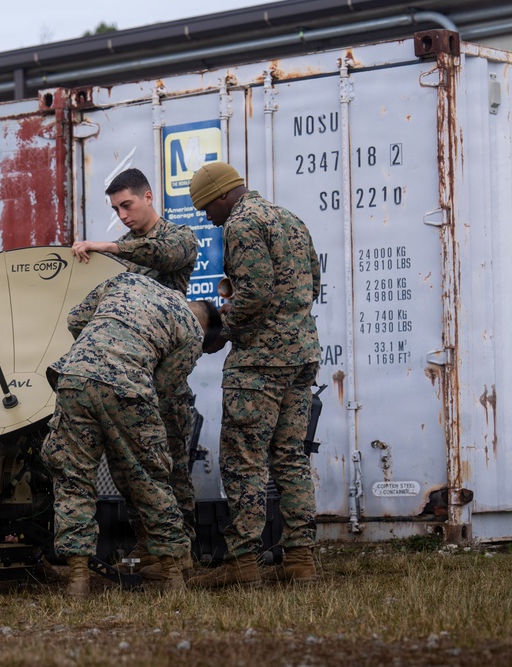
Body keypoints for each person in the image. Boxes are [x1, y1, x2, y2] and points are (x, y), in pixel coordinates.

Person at [41, 271, 220, 596]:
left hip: (74, 377)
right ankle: (173, 578)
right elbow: (163, 387)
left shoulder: (126, 281)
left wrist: (100, 353)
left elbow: (76, 319)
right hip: (129, 389)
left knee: (73, 479)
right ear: (207, 328)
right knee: (149, 479)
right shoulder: (192, 331)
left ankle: (78, 579)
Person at [186, 161, 321, 588]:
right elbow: (312, 283)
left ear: (224, 194)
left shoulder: (242, 224)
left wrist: (224, 324)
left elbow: (254, 294)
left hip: (259, 365)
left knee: (244, 462)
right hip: (301, 356)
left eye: (207, 207)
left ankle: (243, 564)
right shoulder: (290, 219)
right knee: (290, 458)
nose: (208, 217)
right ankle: (300, 560)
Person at [70, 168, 200, 576]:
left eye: (127, 205)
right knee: (131, 470)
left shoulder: (179, 236)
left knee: (170, 467)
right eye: (115, 209)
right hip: (127, 377)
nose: (122, 215)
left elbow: (162, 256)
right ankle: (150, 548)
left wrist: (108, 247)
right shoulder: (121, 248)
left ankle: (181, 554)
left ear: (148, 197)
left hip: (166, 375)